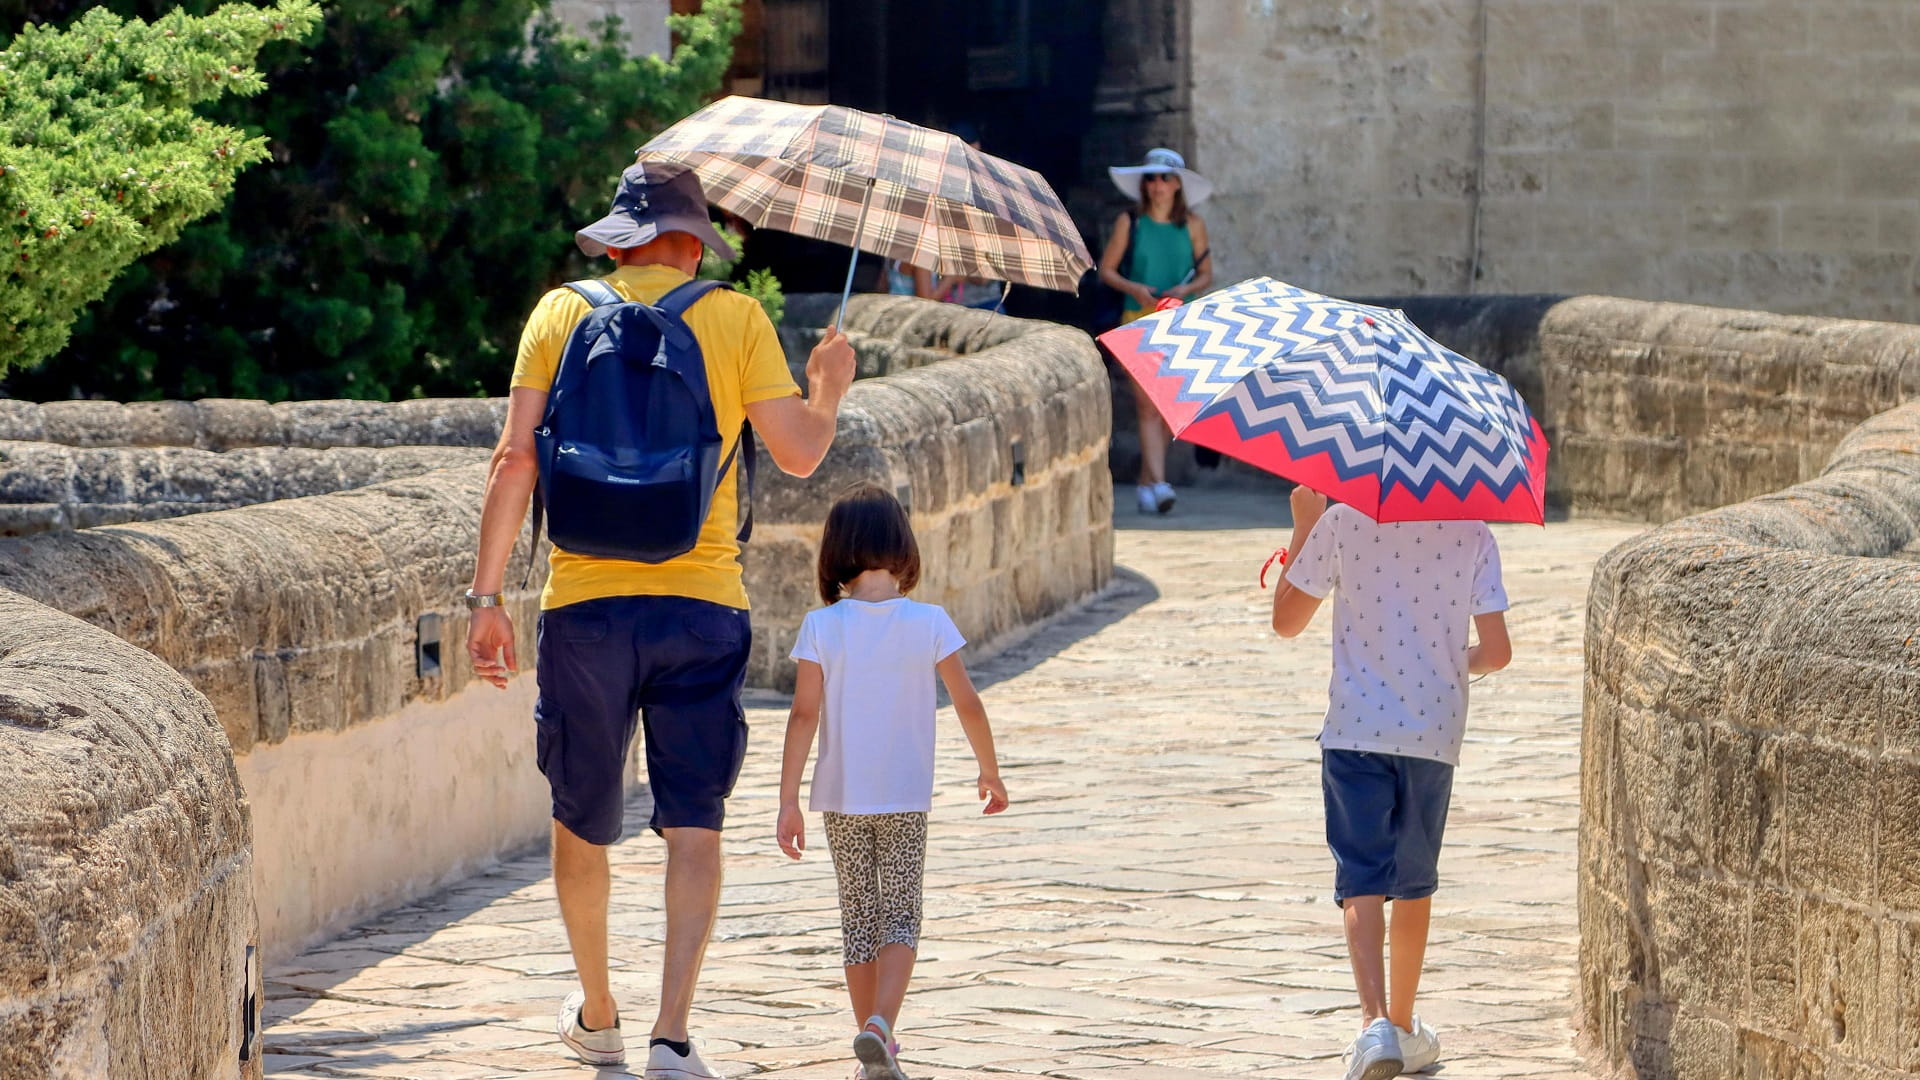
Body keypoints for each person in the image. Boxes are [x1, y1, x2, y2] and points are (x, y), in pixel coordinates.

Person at [464, 161, 857, 1077]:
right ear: (693, 243)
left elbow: (515, 458)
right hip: (703, 603)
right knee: (694, 821)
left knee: (581, 816)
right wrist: (828, 384)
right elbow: (798, 454)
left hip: (585, 607)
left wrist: (486, 600)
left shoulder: (559, 313)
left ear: (618, 238)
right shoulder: (734, 317)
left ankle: (598, 1010)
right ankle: (672, 1033)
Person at [1268, 484, 1512, 1080]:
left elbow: (1286, 621)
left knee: (1362, 878)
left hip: (1355, 728)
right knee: (1414, 881)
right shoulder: (1473, 532)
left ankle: (1374, 1022)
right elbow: (1498, 652)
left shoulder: (1342, 522)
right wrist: (1452, 665)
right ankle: (1404, 1025)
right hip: (1433, 732)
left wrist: (1305, 525)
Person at [773, 483, 1010, 1080]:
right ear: (902, 546)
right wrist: (989, 770)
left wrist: (788, 802)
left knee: (858, 919)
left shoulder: (821, 627)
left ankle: (870, 1049)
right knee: (902, 915)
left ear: (836, 552)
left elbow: (803, 715)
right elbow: (968, 703)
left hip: (841, 798)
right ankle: (882, 1029)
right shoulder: (928, 621)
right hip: (905, 795)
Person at [1098, 147, 1215, 515]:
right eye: (1151, 178)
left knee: (1168, 409)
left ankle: (1149, 482)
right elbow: (1107, 270)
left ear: (1178, 185)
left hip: (1181, 322)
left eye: (1165, 178)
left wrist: (1186, 289)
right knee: (1147, 405)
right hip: (1138, 320)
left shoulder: (1193, 225)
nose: (1157, 185)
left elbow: (1207, 274)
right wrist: (1134, 288)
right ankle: (1161, 485)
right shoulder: (1128, 222)